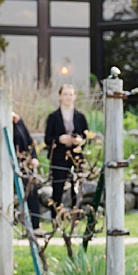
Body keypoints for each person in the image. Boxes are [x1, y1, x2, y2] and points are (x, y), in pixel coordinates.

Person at [42, 84, 90, 219]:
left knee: (77, 187)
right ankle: (55, 218)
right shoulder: (53, 116)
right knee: (57, 187)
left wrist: (79, 140)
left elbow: (86, 136)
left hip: (76, 156)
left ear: (74, 97)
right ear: (60, 96)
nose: (68, 97)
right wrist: (59, 139)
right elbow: (47, 139)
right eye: (65, 94)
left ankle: (77, 217)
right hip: (59, 157)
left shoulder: (80, 116)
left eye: (70, 94)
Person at [0, 102, 34, 195]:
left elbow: (28, 141)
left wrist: (33, 157)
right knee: (1, 195)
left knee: (28, 192)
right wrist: (6, 117)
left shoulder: (18, 121)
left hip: (18, 164)